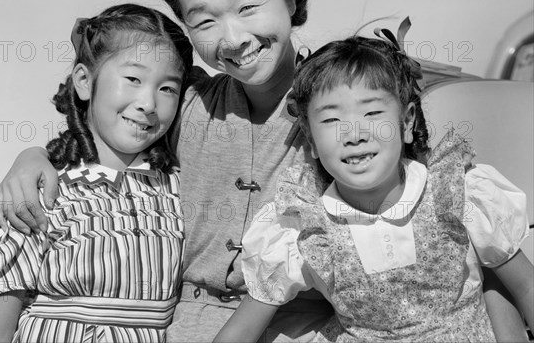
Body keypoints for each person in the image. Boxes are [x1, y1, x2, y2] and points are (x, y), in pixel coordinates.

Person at [0, 0, 527, 342]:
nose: (233, 37)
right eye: (203, 20)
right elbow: (114, 134)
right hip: (179, 327)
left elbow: (459, 228)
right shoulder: (187, 103)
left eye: (248, 6)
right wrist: (35, 156)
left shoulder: (348, 105)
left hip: (309, 328)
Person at [213, 23, 533, 342]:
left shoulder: (457, 191)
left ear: (406, 122)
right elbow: (241, 330)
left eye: (371, 113)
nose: (354, 134)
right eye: (331, 120)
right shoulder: (301, 227)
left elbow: (526, 286)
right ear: (310, 140)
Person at [0, 4, 194, 342]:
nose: (149, 103)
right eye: (133, 79)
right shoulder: (43, 190)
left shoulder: (182, 189)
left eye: (167, 88)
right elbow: (0, 319)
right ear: (83, 81)